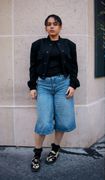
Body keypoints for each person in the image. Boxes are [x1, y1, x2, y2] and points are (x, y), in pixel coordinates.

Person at [28, 14, 80, 172]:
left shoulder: (69, 45)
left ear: (60, 27)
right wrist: (32, 86)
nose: (52, 26)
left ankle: (55, 148)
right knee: (44, 121)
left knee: (63, 120)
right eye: (49, 24)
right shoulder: (37, 45)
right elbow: (32, 66)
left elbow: (73, 67)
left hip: (63, 84)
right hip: (43, 85)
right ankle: (37, 154)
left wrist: (73, 85)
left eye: (55, 24)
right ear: (45, 27)